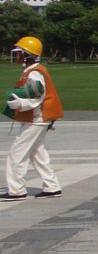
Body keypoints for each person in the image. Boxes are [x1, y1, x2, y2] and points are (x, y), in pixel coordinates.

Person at [2, 36, 64, 201]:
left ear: (27, 54)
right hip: (39, 119)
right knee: (37, 154)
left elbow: (38, 94)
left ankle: (16, 190)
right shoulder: (34, 70)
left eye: (18, 53)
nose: (16, 56)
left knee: (17, 154)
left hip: (36, 119)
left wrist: (20, 104)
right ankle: (52, 187)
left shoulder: (35, 72)